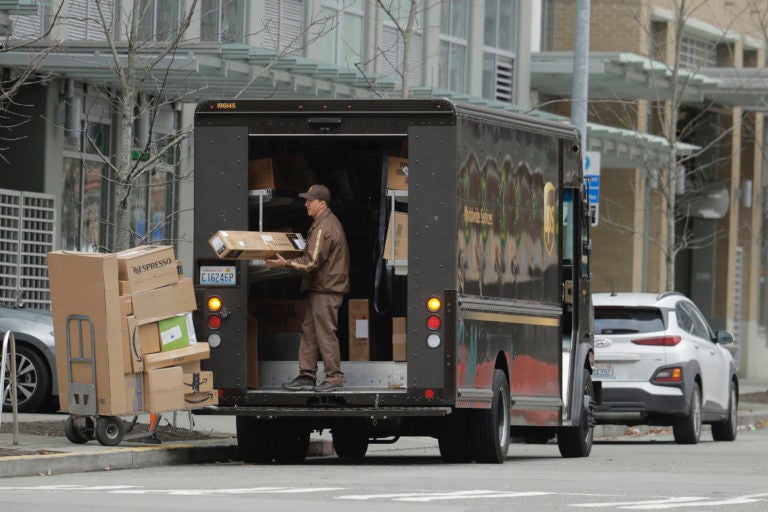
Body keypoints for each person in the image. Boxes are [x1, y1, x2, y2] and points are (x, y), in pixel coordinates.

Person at [265, 184, 350, 392]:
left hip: (326, 290)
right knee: (310, 331)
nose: (306, 204)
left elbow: (311, 262)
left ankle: (334, 378)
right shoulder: (322, 223)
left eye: (309, 201)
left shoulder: (324, 227)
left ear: (322, 203)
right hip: (321, 288)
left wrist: (285, 263)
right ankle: (306, 375)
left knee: (324, 332)